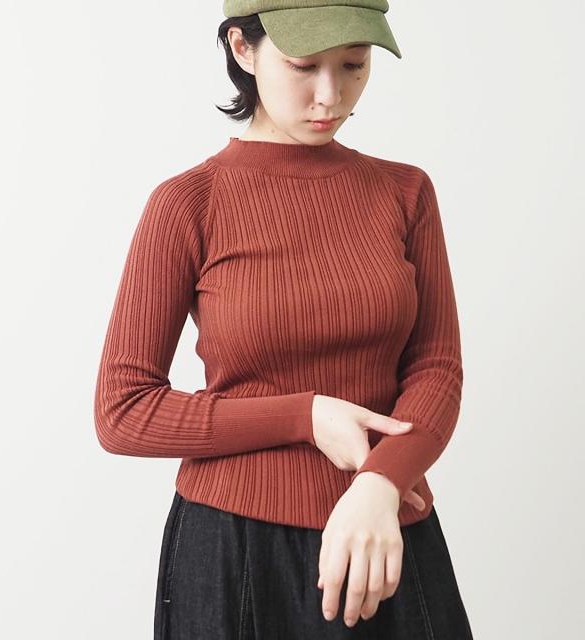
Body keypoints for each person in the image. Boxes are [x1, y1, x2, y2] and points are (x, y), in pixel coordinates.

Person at [93, 1, 474, 637]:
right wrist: (304, 416)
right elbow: (123, 411)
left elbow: (437, 368)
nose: (331, 96)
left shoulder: (405, 192)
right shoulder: (188, 204)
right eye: (304, 65)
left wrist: (380, 483)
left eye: (353, 64)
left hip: (384, 533)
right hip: (234, 552)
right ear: (242, 49)